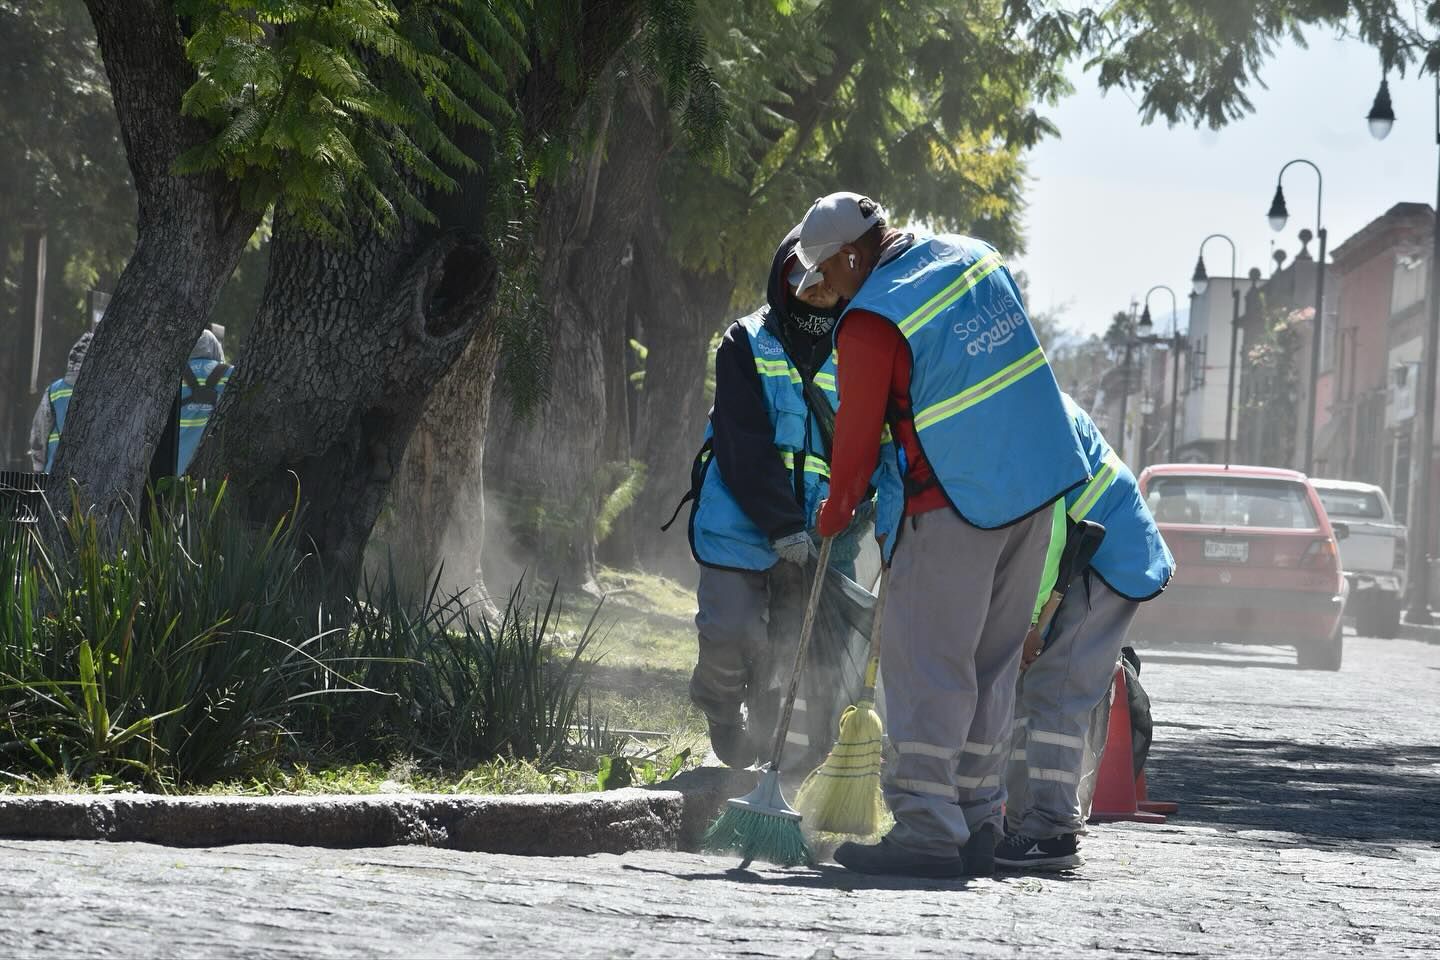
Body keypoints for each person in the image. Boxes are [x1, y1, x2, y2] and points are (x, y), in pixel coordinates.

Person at [798, 192, 1090, 877]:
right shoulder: (976, 258)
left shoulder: (870, 320)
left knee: (928, 667)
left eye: (825, 271)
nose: (823, 287)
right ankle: (979, 820)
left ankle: (928, 828)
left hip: (952, 505)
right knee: (990, 669)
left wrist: (837, 508)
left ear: (850, 254)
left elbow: (857, 441)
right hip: (1034, 497)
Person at [678, 226, 872, 770]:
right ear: (782, 273)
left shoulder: (859, 350)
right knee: (730, 632)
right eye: (802, 274)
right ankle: (720, 708)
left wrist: (854, 514)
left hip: (819, 537)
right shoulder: (745, 341)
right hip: (742, 526)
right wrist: (780, 523)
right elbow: (742, 442)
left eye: (825, 278)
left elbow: (868, 444)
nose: (815, 287)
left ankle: (766, 755)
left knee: (790, 654)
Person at [1001, 393, 1174, 871]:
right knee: (1040, 690)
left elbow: (1049, 538)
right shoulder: (1031, 400)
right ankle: (1024, 822)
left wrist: (1035, 626)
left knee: (1056, 691)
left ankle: (1051, 831)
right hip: (1102, 554)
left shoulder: (1027, 416)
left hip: (1107, 561)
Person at [28, 331, 94, 473]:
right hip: (87, 478)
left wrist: (38, 471)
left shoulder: (53, 390)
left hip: (52, 476)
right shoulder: (100, 390)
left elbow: (38, 436)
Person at [176, 329, 232, 475]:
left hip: (171, 469)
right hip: (213, 472)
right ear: (216, 348)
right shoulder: (232, 374)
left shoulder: (172, 374)